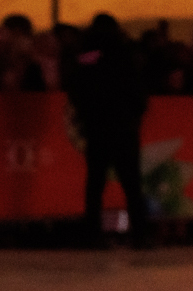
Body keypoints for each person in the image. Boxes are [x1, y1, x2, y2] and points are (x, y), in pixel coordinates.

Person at [63, 13, 149, 247]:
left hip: (97, 126)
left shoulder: (89, 55)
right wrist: (134, 114)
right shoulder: (124, 53)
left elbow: (77, 81)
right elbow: (136, 88)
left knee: (95, 183)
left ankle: (93, 233)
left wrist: (86, 113)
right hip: (123, 126)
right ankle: (140, 234)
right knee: (131, 183)